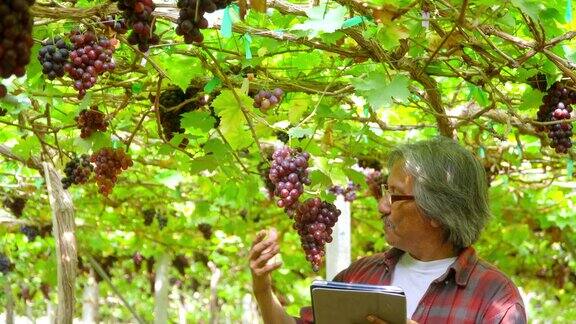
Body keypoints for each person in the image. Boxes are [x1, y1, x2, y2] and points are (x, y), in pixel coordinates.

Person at [249, 137, 527, 324]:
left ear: (437, 212)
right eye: (385, 190)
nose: (382, 206)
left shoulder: (495, 296)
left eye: (395, 194)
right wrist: (263, 287)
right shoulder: (360, 275)